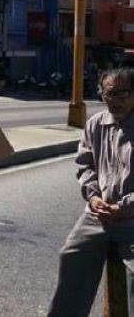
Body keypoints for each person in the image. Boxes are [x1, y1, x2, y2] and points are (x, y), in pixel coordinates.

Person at [48, 68, 134, 316]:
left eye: (122, 93)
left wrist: (125, 207)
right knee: (72, 255)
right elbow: (85, 165)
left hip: (131, 218)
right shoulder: (96, 124)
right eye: (108, 94)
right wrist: (93, 196)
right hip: (99, 215)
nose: (114, 100)